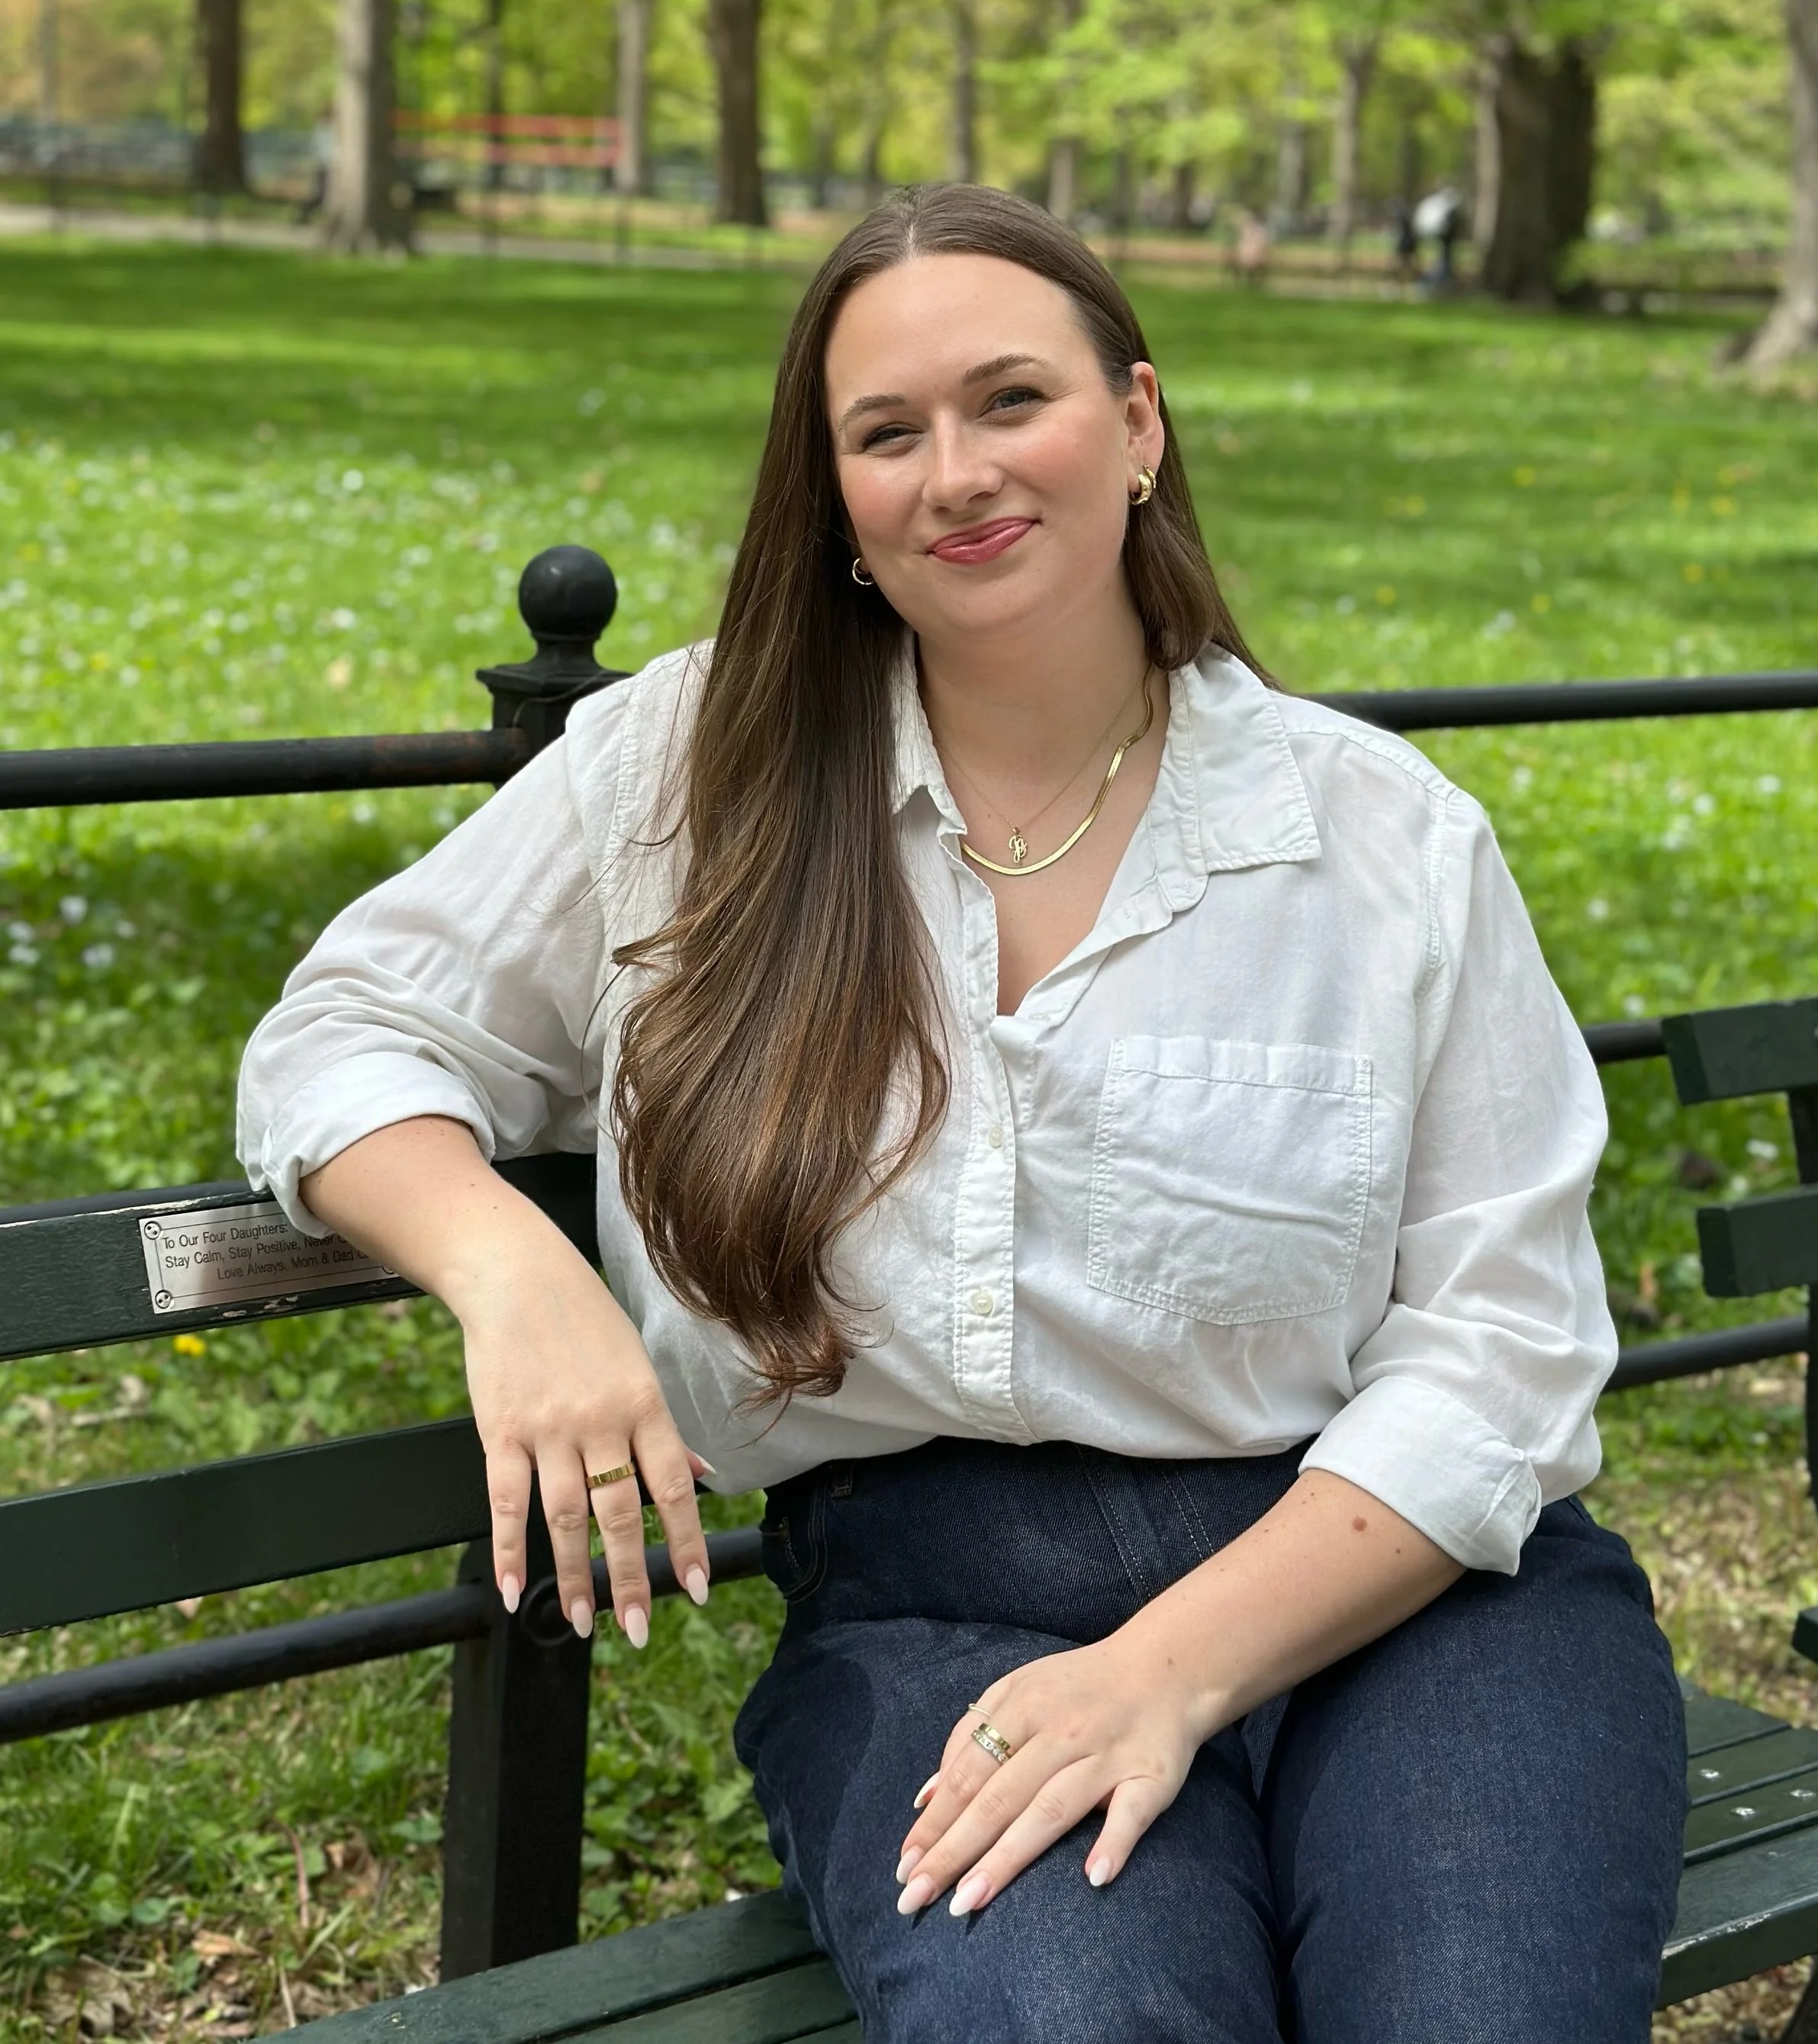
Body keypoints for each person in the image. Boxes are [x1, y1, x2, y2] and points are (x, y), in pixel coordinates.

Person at [237, 183, 1684, 2043]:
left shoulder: (1376, 838)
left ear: (1137, 426)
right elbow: (347, 1028)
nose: (957, 472)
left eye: (1012, 401)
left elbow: (1501, 1349)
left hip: (1403, 1598)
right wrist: (517, 1281)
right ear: (831, 494)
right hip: (940, 1621)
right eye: (885, 432)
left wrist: (1163, 1673)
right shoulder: (690, 775)